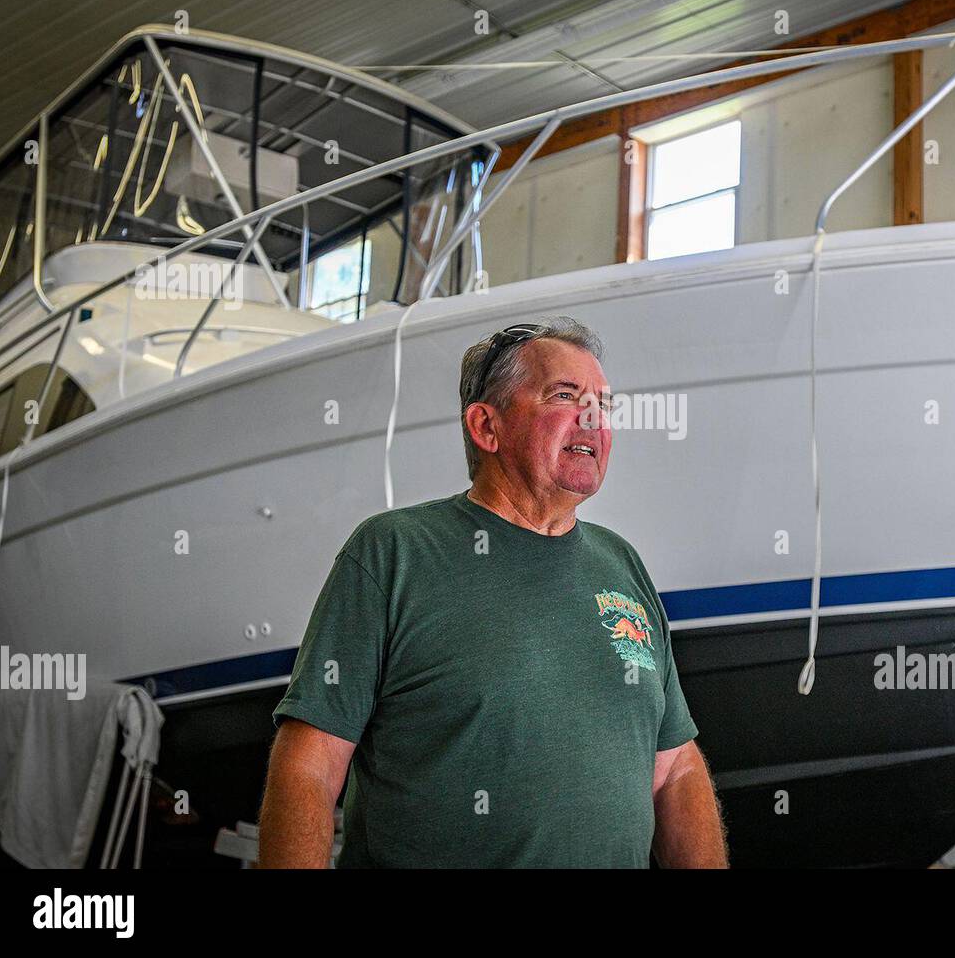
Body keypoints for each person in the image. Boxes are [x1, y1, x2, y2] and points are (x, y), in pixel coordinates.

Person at [258, 317, 727, 867]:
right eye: (565, 396)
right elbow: (309, 767)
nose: (595, 418)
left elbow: (674, 768)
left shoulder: (620, 563)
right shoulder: (393, 554)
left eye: (604, 404)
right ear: (486, 426)